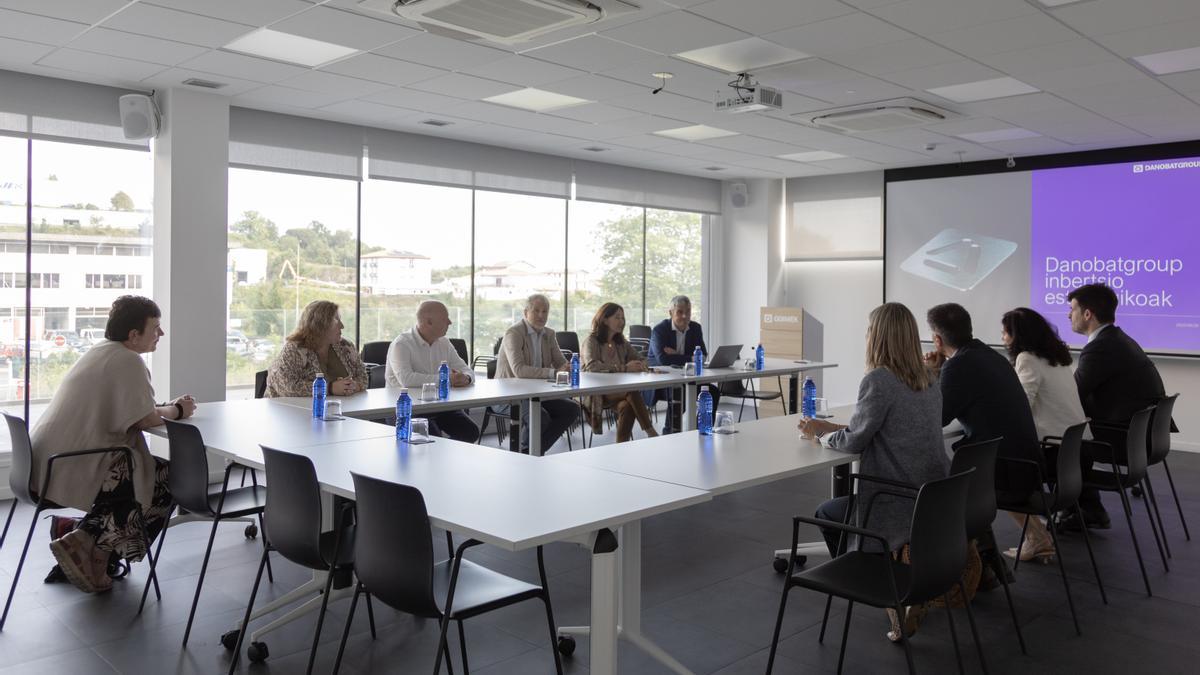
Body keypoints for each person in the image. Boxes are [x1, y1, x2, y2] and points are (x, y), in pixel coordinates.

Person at [800, 303, 947, 642]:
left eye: (869, 331)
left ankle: (886, 592)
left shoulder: (878, 380)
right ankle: (900, 588)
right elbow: (881, 429)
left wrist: (820, 436)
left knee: (827, 512)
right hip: (931, 498)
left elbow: (854, 442)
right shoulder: (930, 378)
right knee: (838, 510)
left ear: (877, 337)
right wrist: (832, 428)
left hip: (893, 500)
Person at [31, 295, 197, 594]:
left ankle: (83, 538)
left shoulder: (101, 351)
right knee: (171, 481)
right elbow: (145, 419)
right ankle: (92, 549)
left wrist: (166, 408)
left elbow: (136, 411)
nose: (161, 333)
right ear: (134, 335)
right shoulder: (128, 360)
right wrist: (177, 410)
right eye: (155, 327)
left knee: (148, 478)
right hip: (76, 466)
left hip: (50, 463)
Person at [1066, 283, 1168, 530]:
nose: (1069, 315)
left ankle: (1086, 510)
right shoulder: (1119, 339)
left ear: (1087, 314)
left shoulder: (1100, 347)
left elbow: (1073, 394)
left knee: (1063, 443)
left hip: (1124, 441)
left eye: (1072, 309)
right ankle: (1083, 508)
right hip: (1144, 438)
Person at [999, 307, 1087, 562]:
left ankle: (1036, 537)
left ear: (1017, 335)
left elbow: (1021, 407)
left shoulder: (1027, 358)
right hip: (1075, 453)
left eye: (1005, 332)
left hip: (1052, 453)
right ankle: (1039, 534)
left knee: (993, 476)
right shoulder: (1057, 358)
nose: (1003, 337)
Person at [925, 303, 1041, 496]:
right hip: (1026, 464)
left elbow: (938, 417)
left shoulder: (958, 365)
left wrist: (930, 373)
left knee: (933, 484)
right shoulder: (991, 355)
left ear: (937, 340)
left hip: (1001, 470)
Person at [496, 293, 580, 452]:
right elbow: (519, 370)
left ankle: (532, 452)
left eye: (545, 311)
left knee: (572, 409)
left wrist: (568, 367)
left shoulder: (549, 334)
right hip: (510, 395)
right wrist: (554, 373)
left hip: (537, 393)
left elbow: (561, 362)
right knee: (540, 417)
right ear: (525, 312)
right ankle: (527, 452)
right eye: (536, 311)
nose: (541, 315)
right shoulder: (514, 333)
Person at [386, 300, 479, 443]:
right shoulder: (401, 344)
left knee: (470, 432)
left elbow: (466, 369)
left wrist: (466, 378)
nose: (450, 322)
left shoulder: (444, 342)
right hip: (407, 409)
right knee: (433, 438)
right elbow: (406, 379)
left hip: (439, 406)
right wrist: (446, 380)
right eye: (445, 319)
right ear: (429, 322)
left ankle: (445, 455)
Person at [581, 302, 658, 443]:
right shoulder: (591, 341)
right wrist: (625, 368)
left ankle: (621, 446)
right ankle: (650, 431)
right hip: (598, 394)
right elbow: (592, 366)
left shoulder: (621, 342)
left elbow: (640, 358)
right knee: (631, 390)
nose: (621, 321)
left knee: (627, 407)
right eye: (617, 317)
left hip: (620, 392)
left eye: (622, 318)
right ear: (604, 320)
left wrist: (642, 365)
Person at [264, 300, 367, 398]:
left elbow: (363, 377)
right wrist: (329, 388)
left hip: (339, 407)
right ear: (320, 325)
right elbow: (286, 387)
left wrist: (354, 386)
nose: (342, 326)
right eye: (336, 320)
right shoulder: (295, 349)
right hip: (287, 409)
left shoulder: (345, 346)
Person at [646, 295, 719, 430]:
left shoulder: (695, 328)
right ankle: (669, 432)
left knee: (712, 392)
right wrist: (690, 358)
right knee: (680, 393)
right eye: (680, 312)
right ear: (671, 313)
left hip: (686, 378)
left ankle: (701, 429)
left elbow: (702, 355)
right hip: (660, 380)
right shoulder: (659, 330)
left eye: (688, 311)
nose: (685, 316)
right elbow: (663, 359)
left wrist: (677, 355)